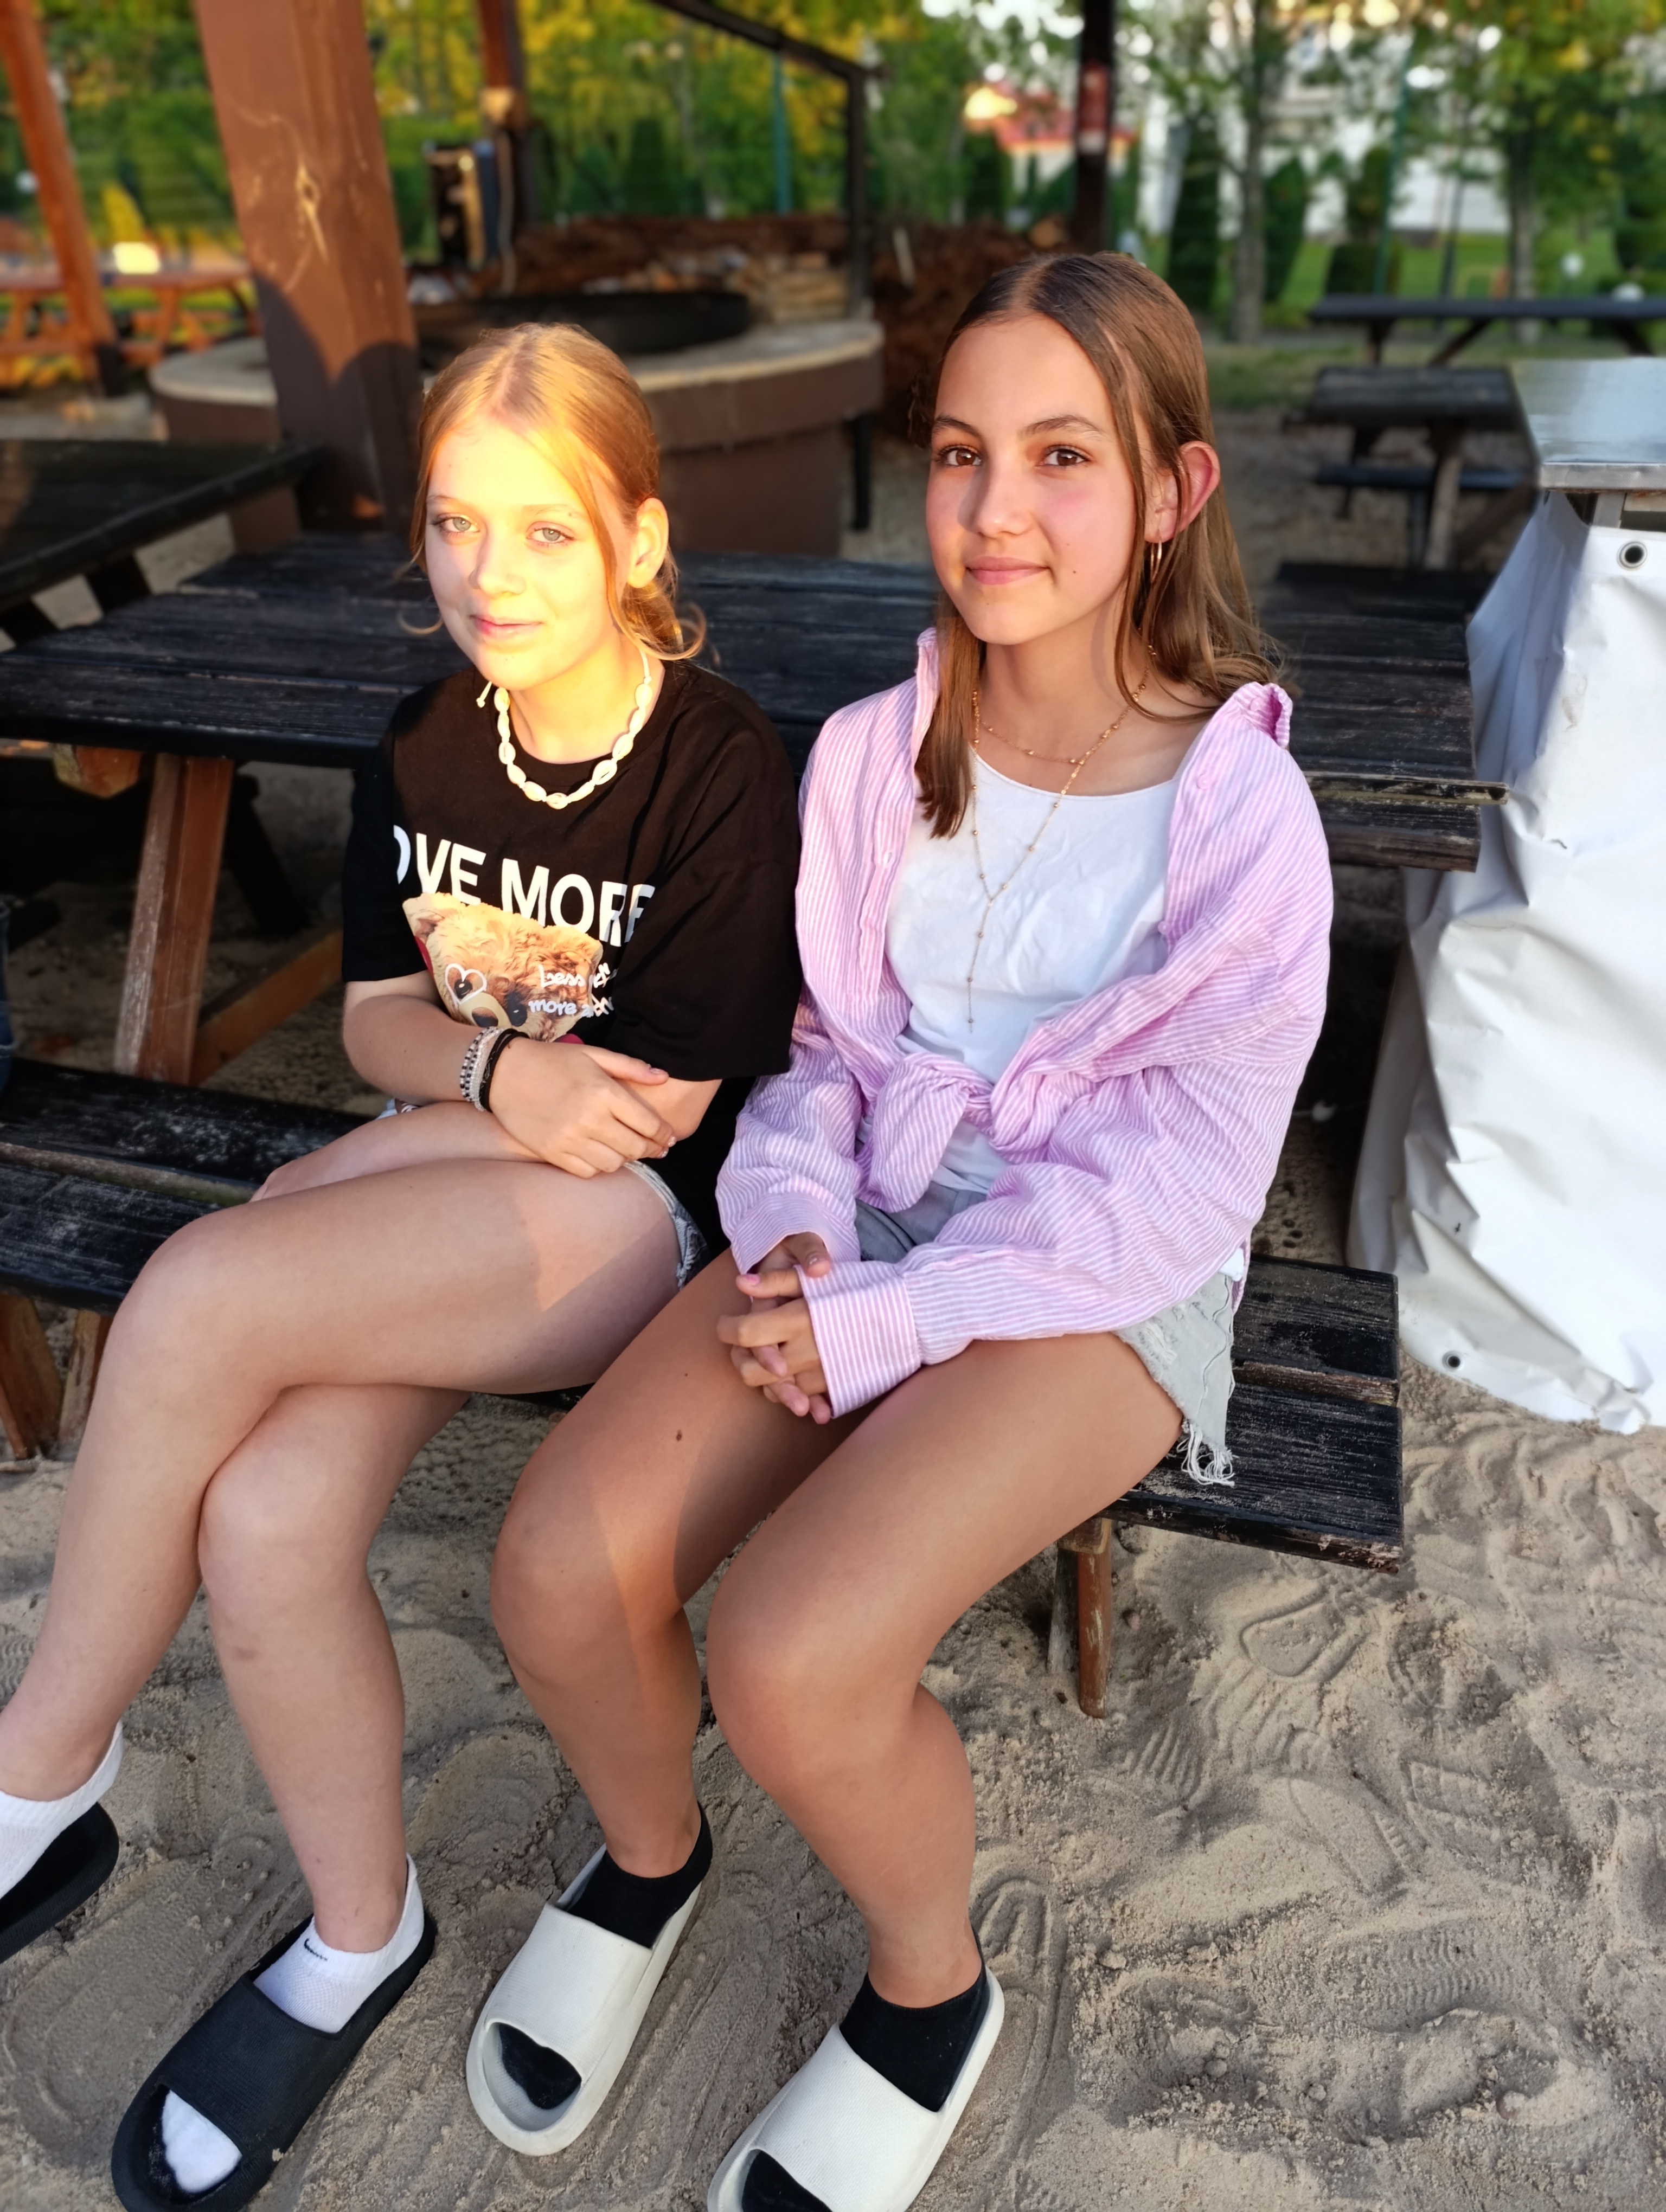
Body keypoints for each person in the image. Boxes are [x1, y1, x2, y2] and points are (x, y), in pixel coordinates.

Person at [472, 253, 1333, 2210]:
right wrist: (793, 1232)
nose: (997, 509)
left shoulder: (1239, 823)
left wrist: (893, 1321)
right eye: (960, 453)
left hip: (1099, 1276)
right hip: (865, 1207)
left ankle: (931, 1998)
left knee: (791, 1652)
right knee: (555, 1563)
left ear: (1174, 490)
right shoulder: (877, 754)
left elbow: (1172, 1184)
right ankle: (650, 1860)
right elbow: (830, 1056)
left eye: (1063, 457)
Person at [0, 322, 801, 2212]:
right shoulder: (431, 742)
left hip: (636, 1231)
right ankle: (361, 1935)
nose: (490, 573)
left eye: (545, 529)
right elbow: (375, 1018)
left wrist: (398, 1142)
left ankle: (38, 1768)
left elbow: (654, 1113)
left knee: (205, 1287)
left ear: (639, 540)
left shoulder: (716, 766)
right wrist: (486, 1075)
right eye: (455, 523)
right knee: (267, 1512)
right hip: (463, 1186)